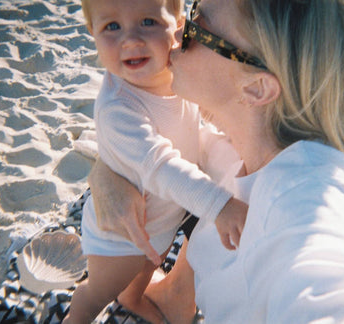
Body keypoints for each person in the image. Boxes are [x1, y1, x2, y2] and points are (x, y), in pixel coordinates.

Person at [89, 0, 344, 323]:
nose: (176, 32)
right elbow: (167, 149)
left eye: (199, 24)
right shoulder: (248, 151)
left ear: (257, 88)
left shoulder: (307, 199)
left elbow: (331, 284)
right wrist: (104, 172)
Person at [64, 0, 247, 323]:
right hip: (121, 235)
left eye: (148, 22)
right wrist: (219, 205)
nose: (130, 40)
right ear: (91, 33)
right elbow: (159, 165)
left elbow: (195, 122)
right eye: (112, 27)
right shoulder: (119, 108)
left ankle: (132, 297)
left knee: (150, 264)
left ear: (177, 25)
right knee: (100, 291)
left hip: (162, 219)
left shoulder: (173, 76)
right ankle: (78, 315)